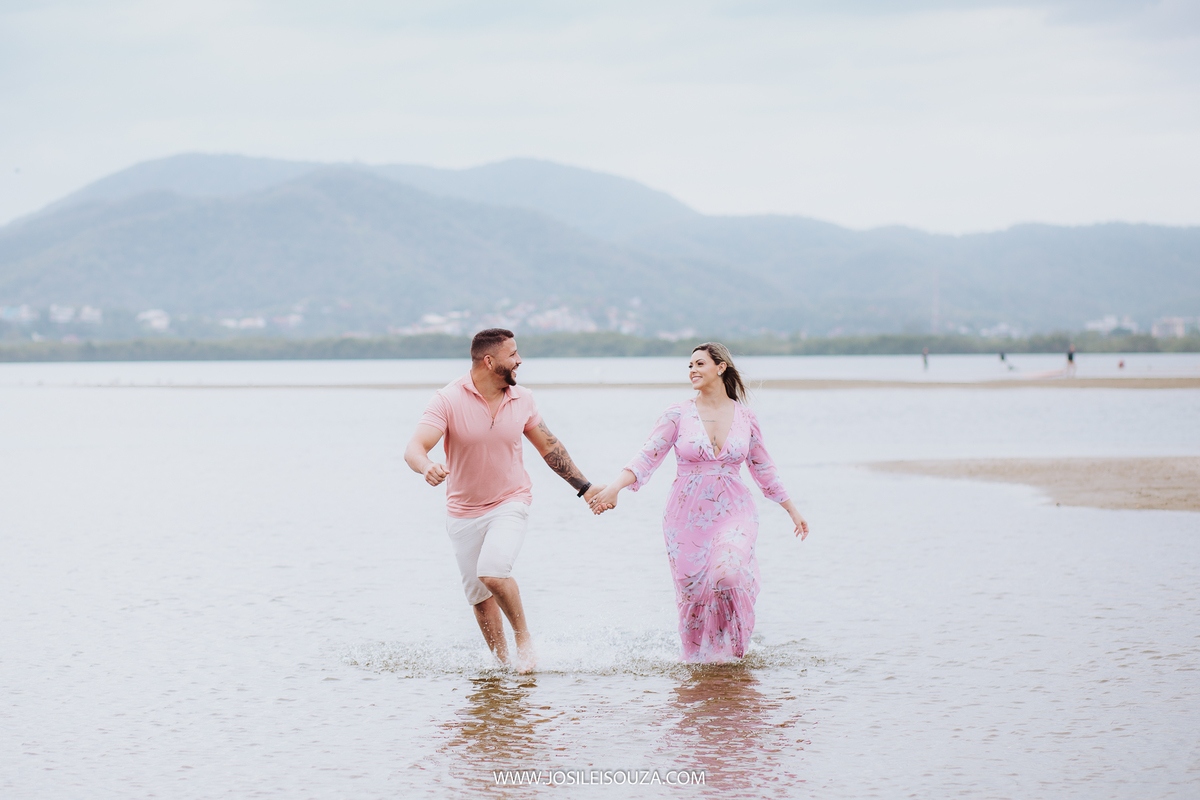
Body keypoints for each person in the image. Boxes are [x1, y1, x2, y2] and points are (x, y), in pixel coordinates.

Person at [589, 343, 808, 663]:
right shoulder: (677, 415)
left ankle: (733, 651)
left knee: (729, 574)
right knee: (694, 595)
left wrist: (791, 509)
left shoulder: (746, 417)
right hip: (686, 517)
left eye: (700, 363)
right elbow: (647, 456)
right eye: (689, 365)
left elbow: (763, 467)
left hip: (735, 511)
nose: (692, 370)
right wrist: (614, 488)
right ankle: (699, 662)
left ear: (721, 368)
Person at [404, 328, 604, 673]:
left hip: (510, 501)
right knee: (480, 599)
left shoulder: (522, 398)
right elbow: (414, 449)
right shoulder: (448, 399)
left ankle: (525, 644)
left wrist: (585, 487)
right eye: (513, 354)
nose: (520, 360)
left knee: (493, 573)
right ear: (489, 361)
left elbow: (550, 448)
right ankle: (502, 666)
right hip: (462, 511)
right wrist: (426, 468)